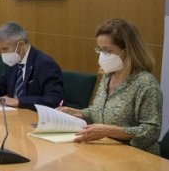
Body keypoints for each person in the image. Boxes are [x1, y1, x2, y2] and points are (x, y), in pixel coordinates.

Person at [58, 18, 162, 154]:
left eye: (108, 51)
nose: (102, 56)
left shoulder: (146, 83)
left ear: (128, 51)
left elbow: (152, 131)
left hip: (136, 156)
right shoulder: (108, 76)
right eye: (100, 50)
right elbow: (98, 112)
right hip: (106, 150)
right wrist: (78, 113)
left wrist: (110, 131)